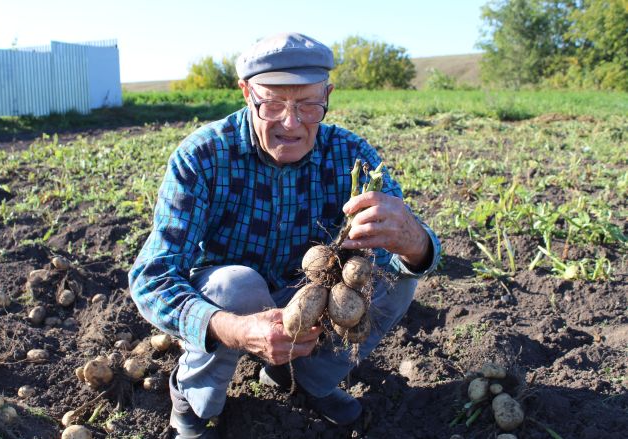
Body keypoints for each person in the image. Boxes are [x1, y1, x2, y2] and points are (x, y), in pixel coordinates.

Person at [128, 32, 441, 438]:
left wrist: (415, 242)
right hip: (231, 305)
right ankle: (194, 403)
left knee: (398, 278)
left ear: (328, 95)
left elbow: (412, 254)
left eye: (309, 105)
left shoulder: (352, 156)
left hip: (311, 298)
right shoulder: (202, 157)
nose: (291, 123)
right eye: (272, 104)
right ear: (246, 93)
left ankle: (309, 380)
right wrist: (235, 329)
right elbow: (151, 277)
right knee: (234, 285)